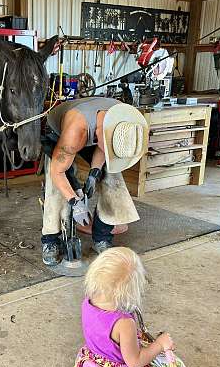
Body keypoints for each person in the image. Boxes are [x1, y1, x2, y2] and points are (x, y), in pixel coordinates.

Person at [64, 247, 200, 367]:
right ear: (128, 293)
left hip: (94, 358)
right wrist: (160, 344)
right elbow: (134, 362)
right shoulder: (124, 323)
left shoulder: (88, 301)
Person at [41, 98, 147, 265]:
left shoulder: (123, 121)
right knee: (55, 186)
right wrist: (74, 202)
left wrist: (94, 173)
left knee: (112, 176)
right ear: (100, 134)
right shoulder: (76, 131)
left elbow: (104, 148)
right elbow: (57, 171)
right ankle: (50, 240)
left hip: (95, 130)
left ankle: (102, 237)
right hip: (56, 132)